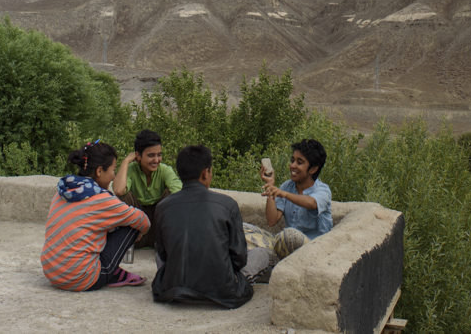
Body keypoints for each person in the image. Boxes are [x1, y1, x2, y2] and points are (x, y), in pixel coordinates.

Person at [152, 145, 276, 308]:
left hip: (174, 288)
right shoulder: (227, 205)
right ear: (205, 173)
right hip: (222, 291)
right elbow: (239, 258)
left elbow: (162, 254)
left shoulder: (162, 207)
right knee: (261, 254)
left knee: (158, 257)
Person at [41, 140, 151, 291]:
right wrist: (141, 231)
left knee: (110, 222)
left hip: (51, 273)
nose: (113, 176)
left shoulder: (63, 191)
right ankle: (111, 273)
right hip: (80, 279)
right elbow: (143, 220)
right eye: (113, 170)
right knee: (132, 224)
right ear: (99, 171)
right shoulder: (101, 198)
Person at [260, 139, 332, 258]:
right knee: (243, 229)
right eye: (292, 160)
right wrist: (271, 187)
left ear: (313, 169)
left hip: (314, 250)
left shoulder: (323, 190)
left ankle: (273, 256)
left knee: (289, 234)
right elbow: (272, 221)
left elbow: (312, 203)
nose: (292, 165)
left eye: (299, 162)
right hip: (288, 244)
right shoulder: (286, 187)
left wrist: (284, 194)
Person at [113, 129, 183, 249]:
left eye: (159, 155)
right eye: (151, 156)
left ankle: (166, 242)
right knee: (123, 195)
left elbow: (181, 193)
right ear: (138, 156)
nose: (156, 160)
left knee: (171, 194)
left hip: (158, 225)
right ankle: (128, 240)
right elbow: (118, 190)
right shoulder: (131, 169)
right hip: (138, 226)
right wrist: (125, 161)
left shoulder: (165, 170)